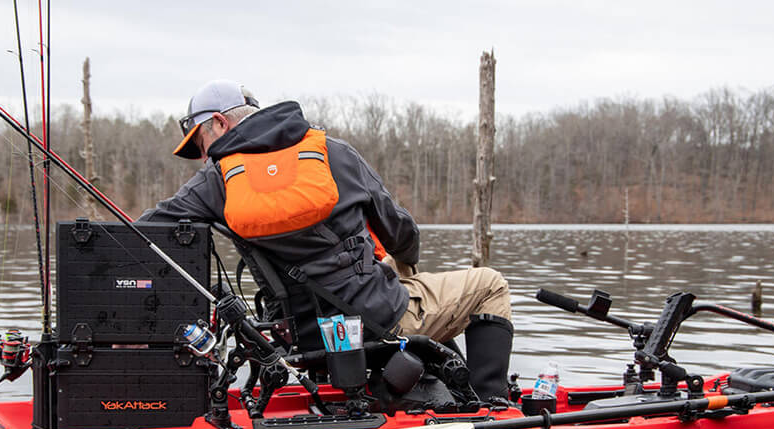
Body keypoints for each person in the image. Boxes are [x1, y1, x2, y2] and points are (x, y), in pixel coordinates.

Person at [138, 80, 513, 401]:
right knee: (490, 285)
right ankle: (491, 409)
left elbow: (141, 233)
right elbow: (401, 233)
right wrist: (405, 263)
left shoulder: (217, 180)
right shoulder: (331, 152)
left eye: (200, 142)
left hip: (296, 338)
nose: (202, 155)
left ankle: (421, 384)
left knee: (392, 275)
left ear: (219, 123)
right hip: (374, 319)